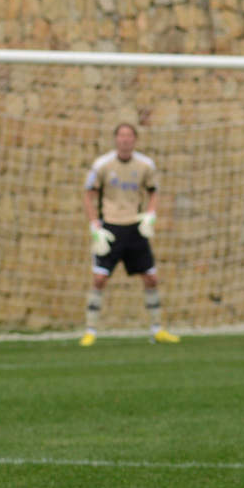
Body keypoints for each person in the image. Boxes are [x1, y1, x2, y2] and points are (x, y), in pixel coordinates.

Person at [81, 123, 179, 346]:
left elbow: (153, 191)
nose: (125, 139)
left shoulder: (145, 165)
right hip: (110, 227)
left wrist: (151, 214)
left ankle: (157, 329)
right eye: (121, 135)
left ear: (135, 139)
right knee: (99, 278)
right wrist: (94, 225)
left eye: (129, 135)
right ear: (115, 139)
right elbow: (88, 194)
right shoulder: (102, 164)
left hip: (134, 227)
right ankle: (90, 330)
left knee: (151, 278)